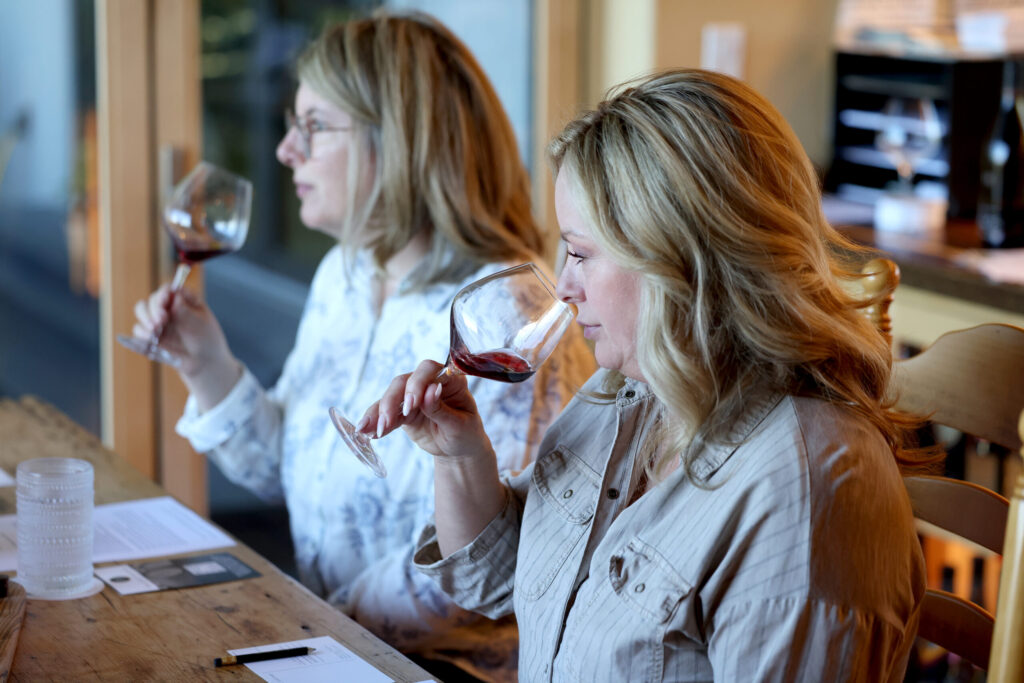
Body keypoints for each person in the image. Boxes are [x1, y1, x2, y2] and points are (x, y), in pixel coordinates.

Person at [362, 69, 935, 681]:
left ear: (683, 258)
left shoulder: (808, 496)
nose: (565, 287)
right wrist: (459, 456)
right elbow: (500, 580)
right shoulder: (631, 394)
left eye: (580, 252)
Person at [130, 11, 594, 682]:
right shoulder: (345, 276)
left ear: (398, 141)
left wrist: (303, 623)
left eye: (314, 126)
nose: (285, 149)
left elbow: (489, 566)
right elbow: (288, 469)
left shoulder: (509, 317)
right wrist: (204, 362)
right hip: (329, 650)